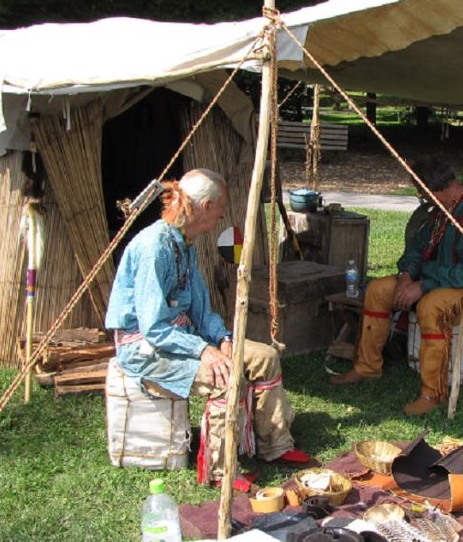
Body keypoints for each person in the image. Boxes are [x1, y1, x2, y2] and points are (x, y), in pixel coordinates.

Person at [105, 168, 312, 486]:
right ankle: (219, 470)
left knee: (264, 357)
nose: (221, 216)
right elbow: (153, 328)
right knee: (224, 378)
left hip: (181, 336)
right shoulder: (154, 248)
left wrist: (222, 339)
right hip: (145, 347)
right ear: (205, 206)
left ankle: (275, 446)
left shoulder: (184, 245)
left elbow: (201, 308)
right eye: (220, 207)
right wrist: (203, 350)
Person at [330, 156, 463, 415]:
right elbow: (415, 248)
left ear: (438, 188)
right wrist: (405, 277)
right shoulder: (440, 212)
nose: (424, 200)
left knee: (431, 306)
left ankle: (432, 393)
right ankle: (367, 367)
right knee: (379, 290)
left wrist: (423, 285)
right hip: (433, 280)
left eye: (424, 194)